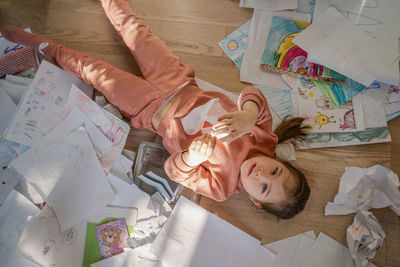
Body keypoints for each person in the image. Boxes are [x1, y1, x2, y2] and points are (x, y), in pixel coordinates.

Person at [0, 0, 310, 219]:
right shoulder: (264, 139)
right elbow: (253, 93)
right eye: (275, 170)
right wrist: (248, 115)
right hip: (178, 80)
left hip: (149, 108)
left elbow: (175, 171)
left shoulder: (222, 186)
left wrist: (192, 158)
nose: (262, 174)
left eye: (265, 188)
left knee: (88, 69)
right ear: (278, 161)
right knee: (135, 30)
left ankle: (37, 45)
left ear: (256, 201)